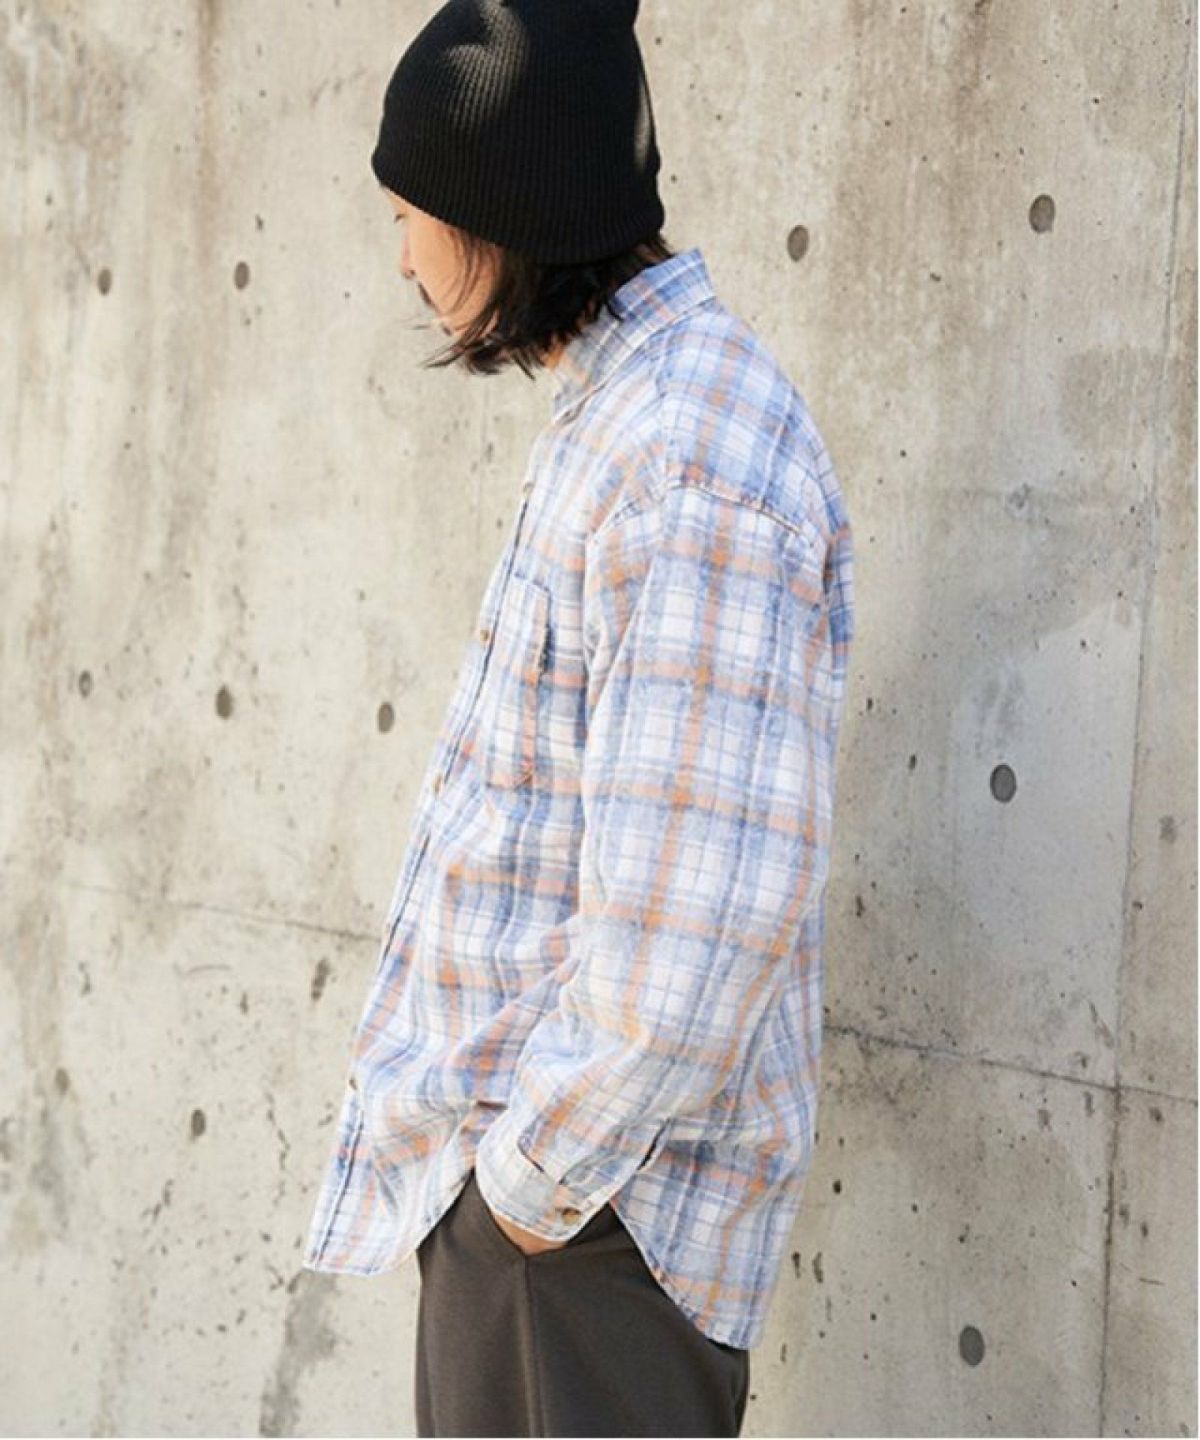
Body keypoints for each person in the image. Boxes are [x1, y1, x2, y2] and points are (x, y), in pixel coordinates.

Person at [302, 2, 856, 1435]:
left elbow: (697, 929)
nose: (403, 254)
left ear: (508, 212)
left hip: (588, 1242)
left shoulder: (687, 458)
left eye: (413, 213)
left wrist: (524, 1195)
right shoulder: (636, 421)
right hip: (559, 1231)